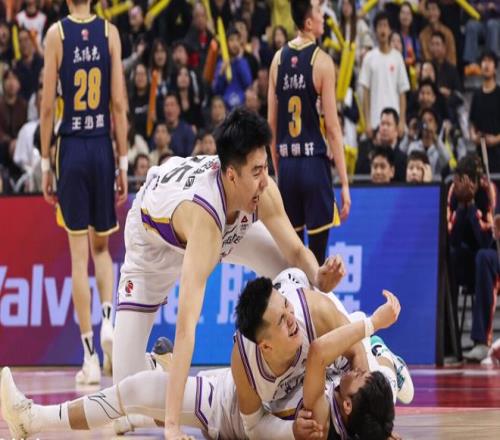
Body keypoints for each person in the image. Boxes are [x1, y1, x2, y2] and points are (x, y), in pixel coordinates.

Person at [112, 107, 346, 439]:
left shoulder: (258, 188)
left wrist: (319, 275)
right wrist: (173, 427)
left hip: (223, 218)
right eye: (256, 171)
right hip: (153, 245)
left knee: (296, 275)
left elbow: (296, 252)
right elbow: (186, 327)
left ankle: (361, 346)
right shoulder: (205, 222)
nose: (265, 180)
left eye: (266, 168)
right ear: (232, 175)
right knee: (125, 400)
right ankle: (157, 366)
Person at [0, 269, 409, 440]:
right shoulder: (247, 359)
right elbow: (254, 427)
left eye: (288, 310)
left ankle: (37, 419)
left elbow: (350, 354)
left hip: (251, 415)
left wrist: (291, 434)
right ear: (263, 344)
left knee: (145, 394)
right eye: (282, 317)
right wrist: (290, 433)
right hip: (236, 400)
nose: (292, 319)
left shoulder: (309, 314)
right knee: (138, 392)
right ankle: (32, 419)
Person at [40, 0, 128, 384]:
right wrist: (123, 161)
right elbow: (119, 104)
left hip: (71, 146)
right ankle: (108, 319)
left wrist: (45, 163)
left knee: (79, 258)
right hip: (102, 145)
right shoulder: (110, 33)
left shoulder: (56, 35)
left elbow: (47, 107)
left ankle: (89, 356)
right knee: (101, 248)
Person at [267, 0, 350, 265]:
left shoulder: (277, 60)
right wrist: (344, 183)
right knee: (317, 260)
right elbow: (333, 129)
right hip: (314, 164)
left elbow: (271, 124)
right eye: (318, 11)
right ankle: (314, 292)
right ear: (308, 22)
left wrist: (278, 170)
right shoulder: (322, 62)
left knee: (291, 261)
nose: (323, 16)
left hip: (288, 165)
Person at [359, 11, 410, 138]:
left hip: (394, 119)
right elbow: (365, 92)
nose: (383, 29)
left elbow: (402, 92)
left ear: (390, 30)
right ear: (375, 30)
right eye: (380, 26)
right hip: (375, 120)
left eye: (385, 25)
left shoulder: (397, 57)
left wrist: (402, 121)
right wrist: (367, 122)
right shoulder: (369, 58)